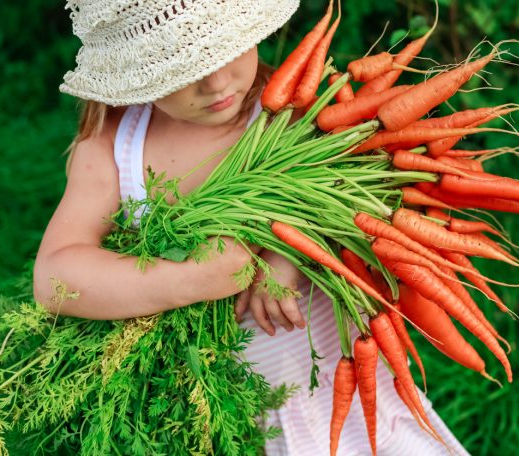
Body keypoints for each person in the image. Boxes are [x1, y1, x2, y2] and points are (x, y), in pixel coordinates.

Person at [33, 0, 469, 454]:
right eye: (185, 66)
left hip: (345, 397)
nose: (216, 81)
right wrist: (187, 280)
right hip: (219, 419)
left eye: (228, 49)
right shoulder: (114, 148)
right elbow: (54, 276)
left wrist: (290, 253)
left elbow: (361, 196)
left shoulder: (297, 111)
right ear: (137, 72)